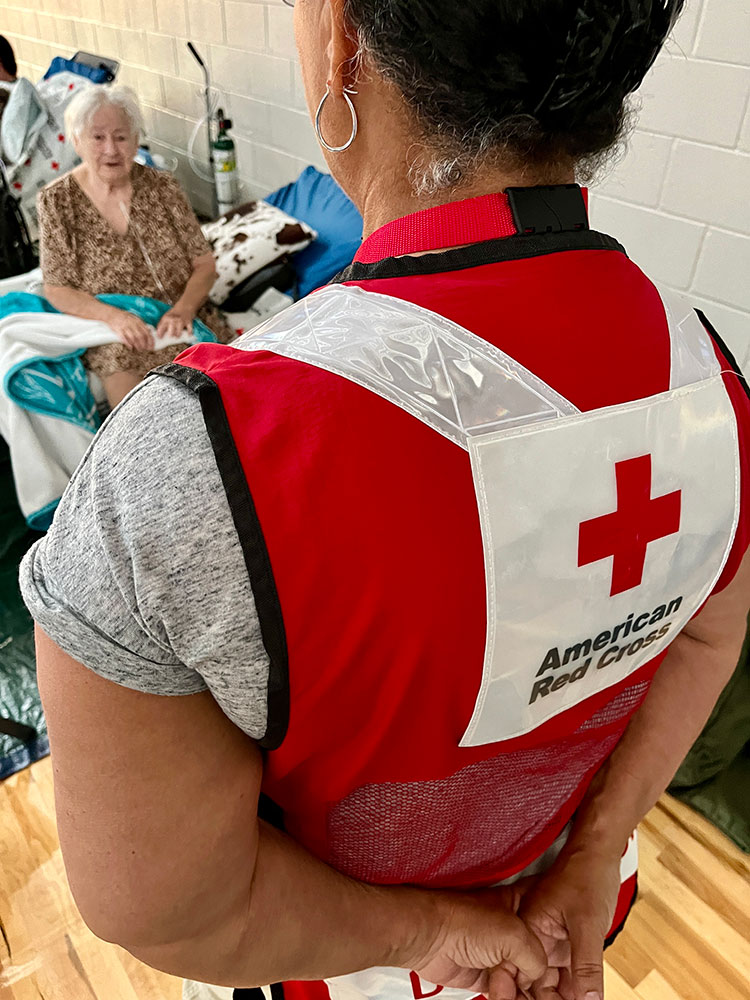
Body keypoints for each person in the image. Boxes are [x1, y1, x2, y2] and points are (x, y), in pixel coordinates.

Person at [19, 2, 750, 1000]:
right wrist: (593, 853)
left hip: (347, 966)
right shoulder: (711, 380)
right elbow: (709, 637)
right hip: (568, 924)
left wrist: (435, 927)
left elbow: (163, 902)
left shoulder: (194, 455)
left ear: (339, 43)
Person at [36, 84, 233, 408]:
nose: (111, 149)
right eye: (98, 138)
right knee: (125, 372)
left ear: (136, 140)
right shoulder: (58, 201)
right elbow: (57, 288)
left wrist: (182, 309)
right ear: (76, 141)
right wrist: (115, 318)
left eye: (121, 137)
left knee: (216, 389)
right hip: (115, 328)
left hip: (177, 315)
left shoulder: (163, 187)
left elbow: (204, 265)